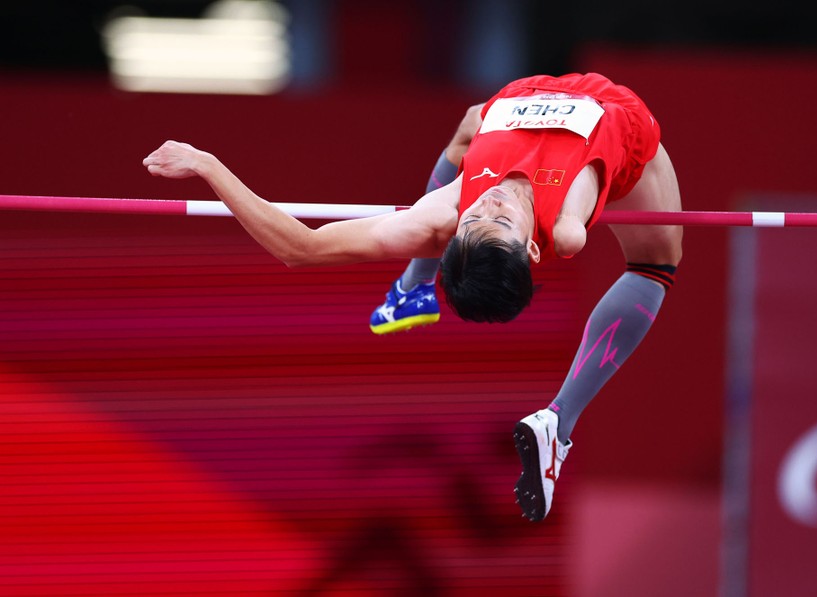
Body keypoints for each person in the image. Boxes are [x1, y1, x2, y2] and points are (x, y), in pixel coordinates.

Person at [143, 72, 683, 522]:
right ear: (531, 251)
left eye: (477, 217)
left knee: (468, 132)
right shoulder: (562, 227)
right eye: (499, 220)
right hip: (612, 111)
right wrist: (564, 218)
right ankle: (558, 423)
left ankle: (411, 287)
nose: (489, 203)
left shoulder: (447, 213)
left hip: (521, 98)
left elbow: (299, 248)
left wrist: (208, 164)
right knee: (655, 264)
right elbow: (572, 226)